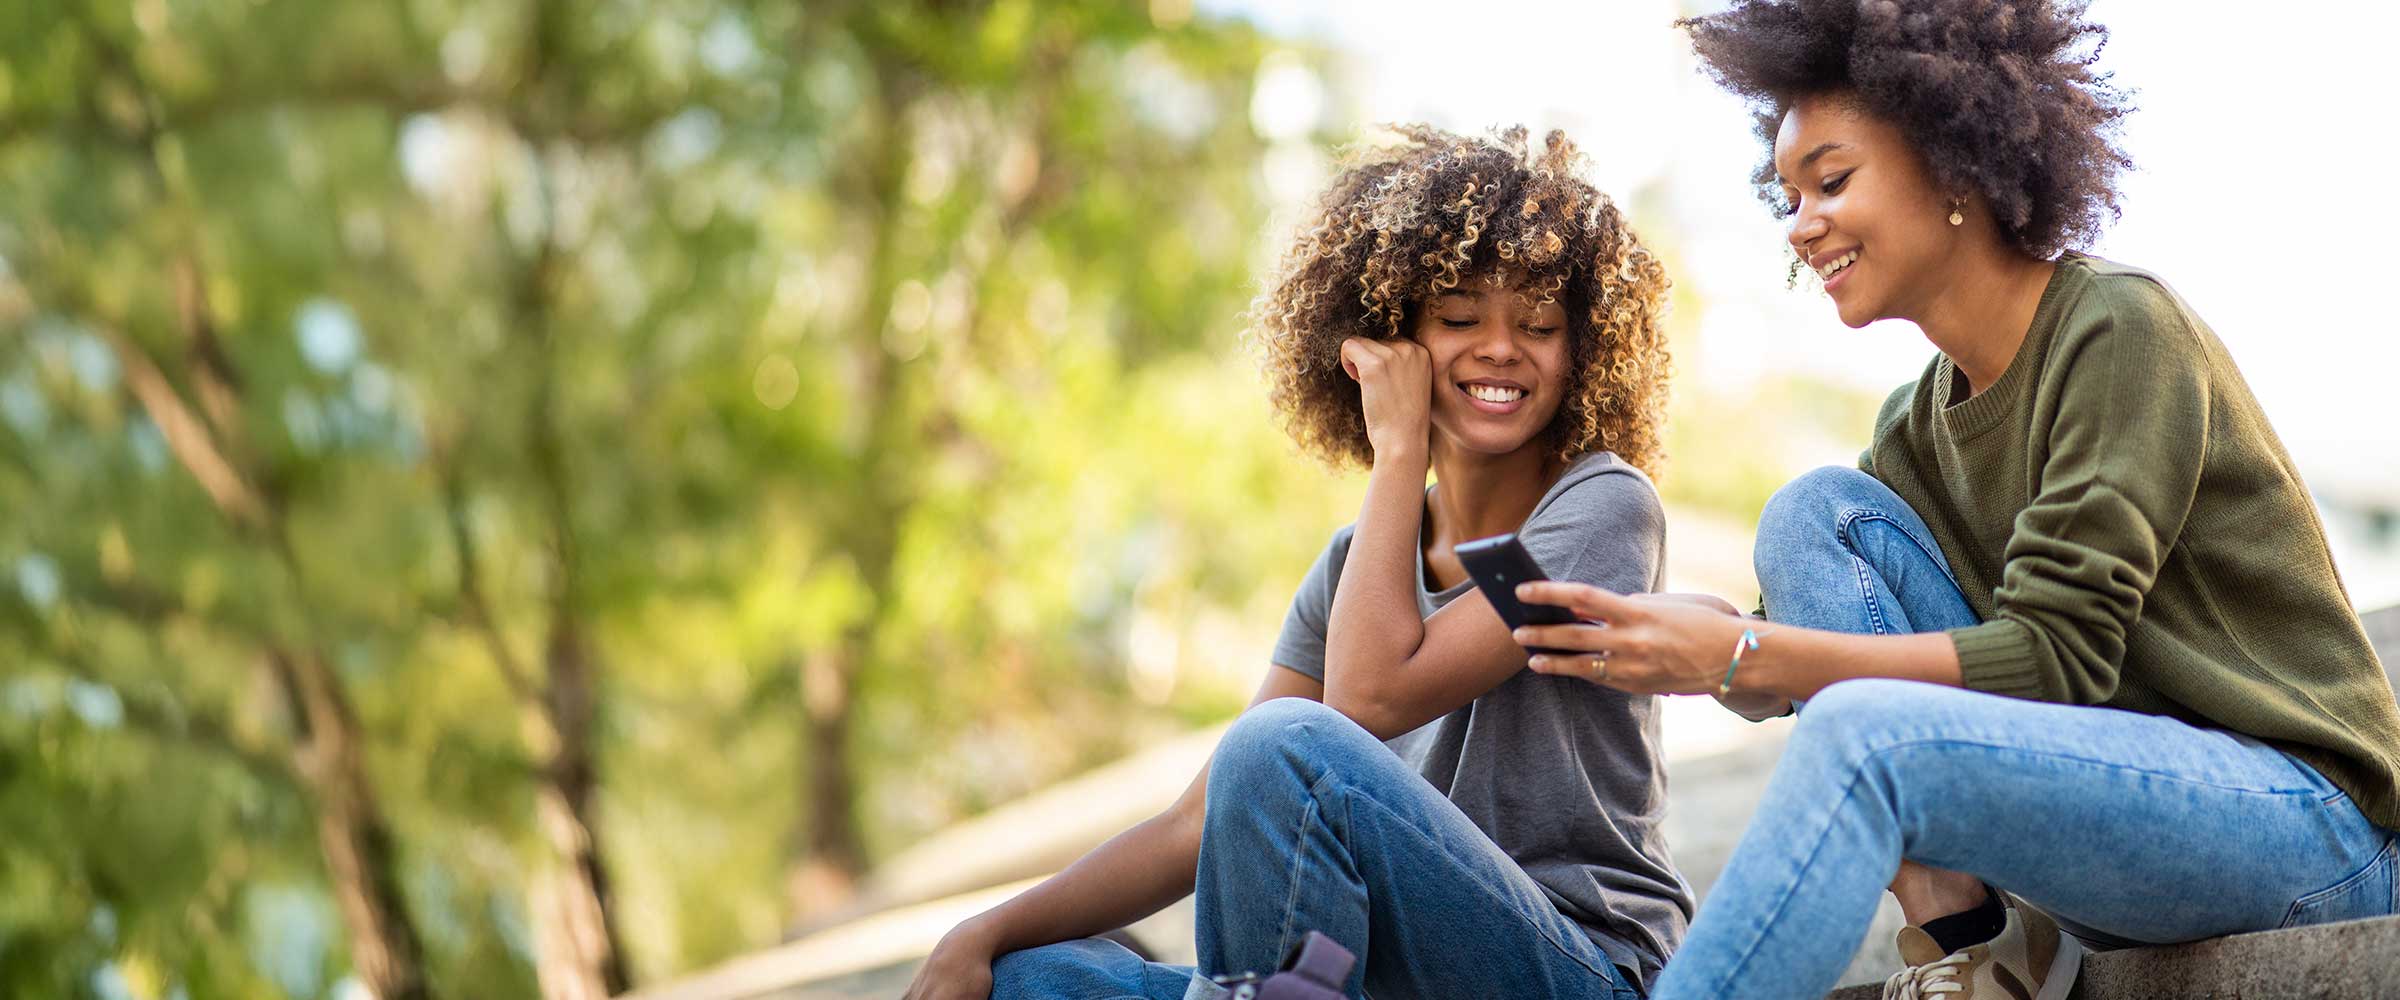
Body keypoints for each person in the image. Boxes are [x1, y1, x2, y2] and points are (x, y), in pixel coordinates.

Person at [1509, 3, 2400, 998]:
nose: (1801, 224)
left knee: (1867, 734)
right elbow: (1799, 661)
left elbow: (2056, 654)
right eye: (1787, 195)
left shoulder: (2118, 329)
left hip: (2308, 830)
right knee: (1812, 514)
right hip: (2105, 832)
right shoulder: (1917, 425)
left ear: (1954, 163)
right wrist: (1680, 639)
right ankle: (1978, 943)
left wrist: (1749, 654)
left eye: (1832, 181)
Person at [901, 124, 1688, 999]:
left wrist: (1398, 453)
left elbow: (1367, 697)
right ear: (1391, 336)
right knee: (1028, 980)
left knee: (1282, 743)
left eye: (1537, 326)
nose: (1500, 348)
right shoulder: (1361, 564)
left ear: (1583, 352)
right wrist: (981, 932)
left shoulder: (1598, 508)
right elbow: (1199, 823)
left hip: (1573, 963)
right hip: (1386, 977)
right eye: (1460, 318)